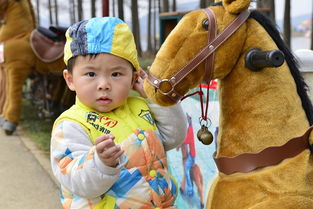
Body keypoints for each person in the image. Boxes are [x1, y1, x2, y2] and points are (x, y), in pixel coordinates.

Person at [50, 17, 187, 209]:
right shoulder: (71, 125)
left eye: (116, 74)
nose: (104, 84)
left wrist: (154, 98)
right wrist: (100, 163)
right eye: (91, 74)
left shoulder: (141, 107)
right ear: (70, 79)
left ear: (134, 79)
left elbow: (174, 136)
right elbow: (75, 180)